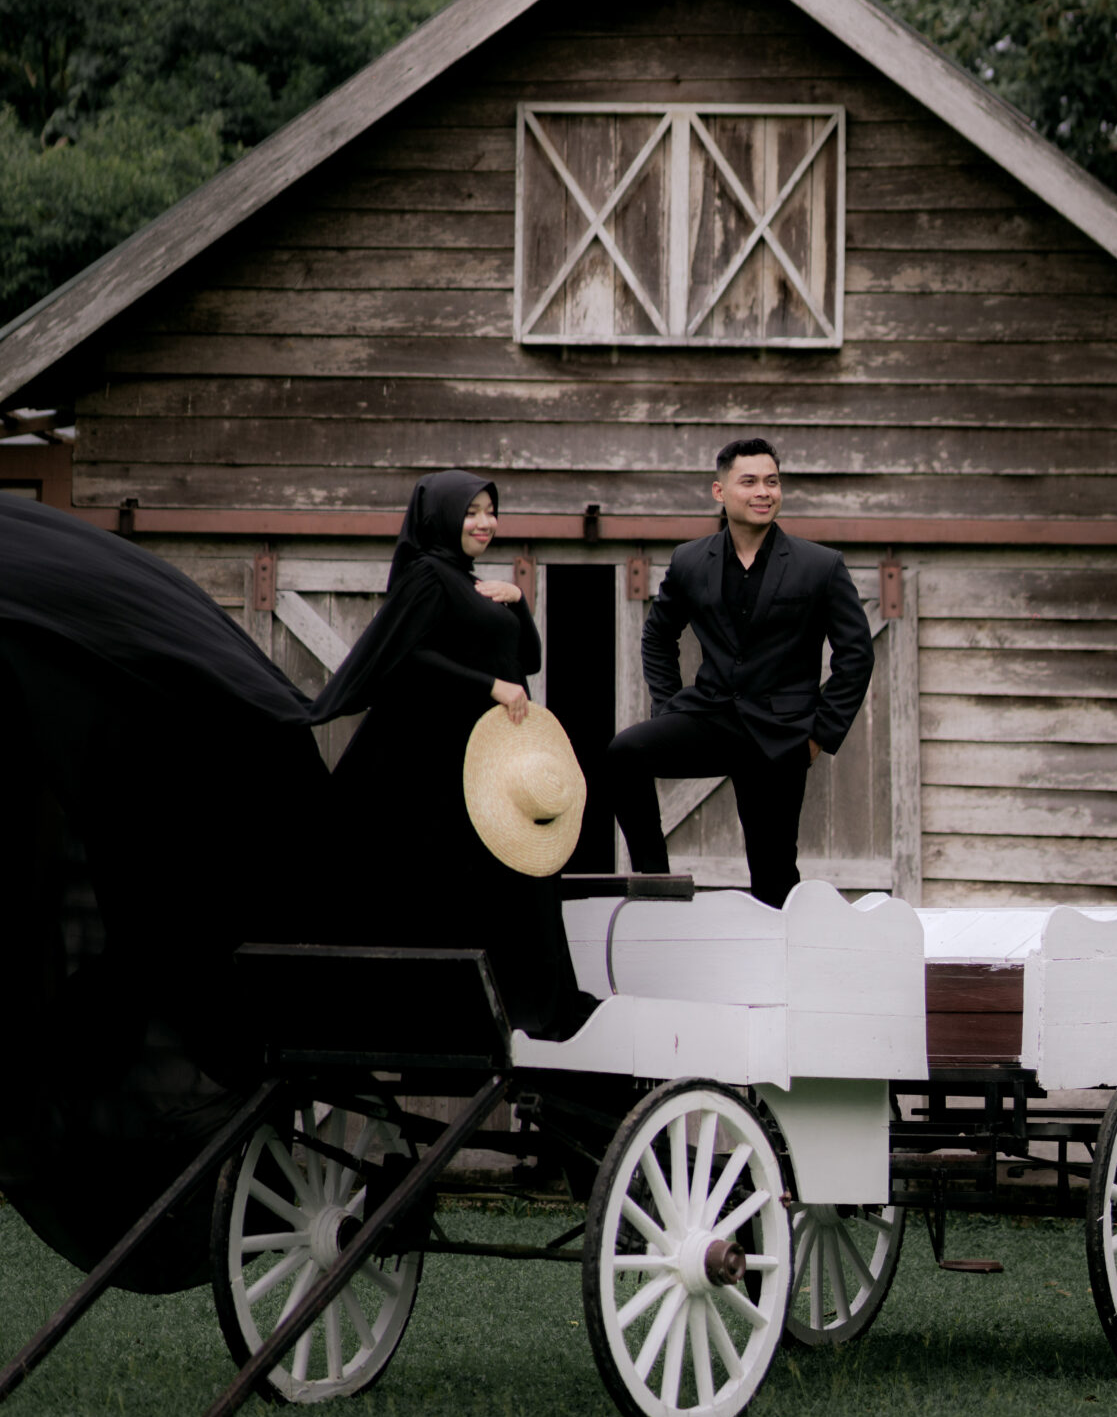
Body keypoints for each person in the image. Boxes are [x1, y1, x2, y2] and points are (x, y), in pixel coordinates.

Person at [322, 470, 595, 1040]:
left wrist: (518, 602)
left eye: (491, 511)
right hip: (445, 759)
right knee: (459, 885)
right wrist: (489, 686)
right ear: (441, 518)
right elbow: (407, 657)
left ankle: (534, 1009)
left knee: (517, 879)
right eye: (471, 512)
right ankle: (471, 1017)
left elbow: (530, 659)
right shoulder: (428, 575)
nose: (485, 522)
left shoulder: (469, 582)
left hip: (488, 761)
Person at [604, 435, 875, 907]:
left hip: (781, 734)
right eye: (749, 482)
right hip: (710, 716)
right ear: (720, 491)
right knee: (624, 753)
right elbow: (658, 636)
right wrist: (667, 707)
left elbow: (856, 654)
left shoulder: (820, 565)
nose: (763, 492)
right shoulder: (690, 560)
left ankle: (782, 948)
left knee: (773, 874)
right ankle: (657, 887)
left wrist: (820, 734)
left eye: (772, 482)